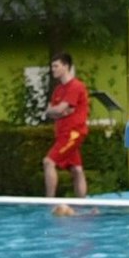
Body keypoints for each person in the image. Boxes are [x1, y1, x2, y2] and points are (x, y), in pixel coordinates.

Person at [42, 52, 90, 200]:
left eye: (56, 66)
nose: (53, 69)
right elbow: (51, 111)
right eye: (52, 66)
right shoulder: (58, 90)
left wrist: (57, 111)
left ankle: (49, 201)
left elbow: (58, 109)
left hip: (72, 133)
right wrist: (58, 111)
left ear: (66, 66)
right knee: (76, 169)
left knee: (48, 162)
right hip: (63, 133)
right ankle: (83, 202)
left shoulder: (75, 86)